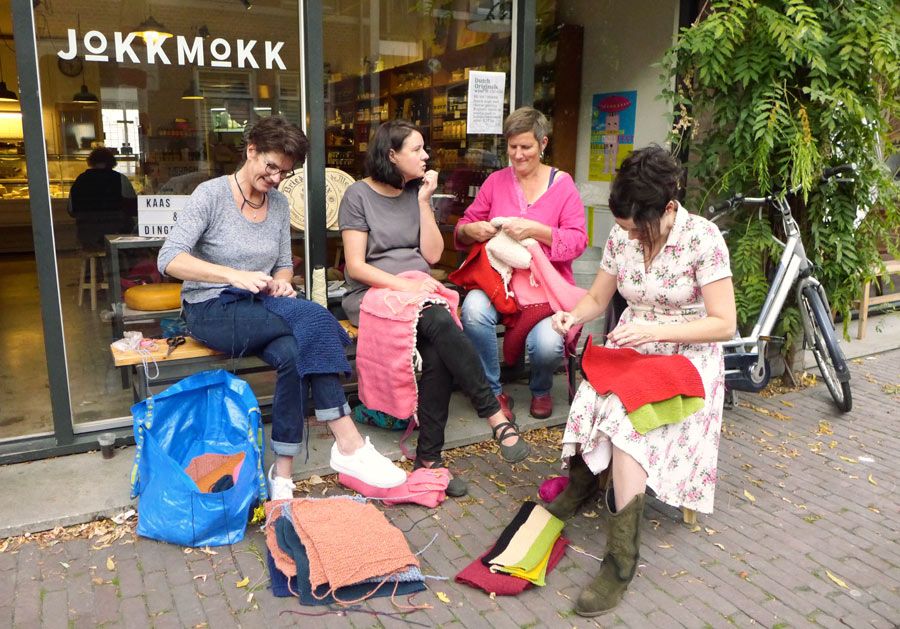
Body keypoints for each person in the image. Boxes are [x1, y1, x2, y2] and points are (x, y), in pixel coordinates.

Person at [157, 115, 406, 501]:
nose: (275, 179)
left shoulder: (278, 203)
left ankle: (283, 471)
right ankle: (350, 445)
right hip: (211, 309)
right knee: (315, 319)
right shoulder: (211, 195)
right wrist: (233, 275)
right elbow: (169, 258)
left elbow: (282, 263)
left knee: (294, 352)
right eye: (270, 167)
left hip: (260, 306)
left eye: (284, 173)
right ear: (250, 150)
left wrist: (284, 281)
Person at [548, 145, 736, 616]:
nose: (629, 233)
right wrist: (572, 316)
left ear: (668, 208)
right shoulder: (623, 233)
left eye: (637, 226)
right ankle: (584, 482)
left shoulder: (703, 239)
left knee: (627, 420)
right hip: (638, 343)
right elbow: (597, 296)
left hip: (688, 353)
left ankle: (621, 558)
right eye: (625, 225)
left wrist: (656, 330)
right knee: (594, 391)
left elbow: (723, 324)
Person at [339, 120, 530, 498]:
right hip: (375, 294)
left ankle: (429, 460)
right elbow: (356, 266)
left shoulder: (415, 194)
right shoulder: (357, 196)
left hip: (418, 295)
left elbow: (431, 254)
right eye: (417, 149)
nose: (426, 156)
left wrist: (425, 202)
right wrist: (407, 286)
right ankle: (493, 414)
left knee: (438, 350)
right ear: (391, 155)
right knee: (440, 317)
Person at [455, 107, 588, 421]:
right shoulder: (496, 182)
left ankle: (541, 389)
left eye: (525, 147)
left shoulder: (562, 185)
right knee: (473, 310)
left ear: (543, 143)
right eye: (512, 147)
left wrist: (535, 232)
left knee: (547, 344)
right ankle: (492, 391)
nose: (517, 154)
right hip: (498, 283)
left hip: (544, 290)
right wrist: (469, 230)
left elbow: (577, 241)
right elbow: (465, 225)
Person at [67, 147, 138, 249]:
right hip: (116, 235)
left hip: (87, 235)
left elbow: (71, 210)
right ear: (111, 162)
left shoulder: (80, 180)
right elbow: (132, 208)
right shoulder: (120, 179)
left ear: (91, 162)